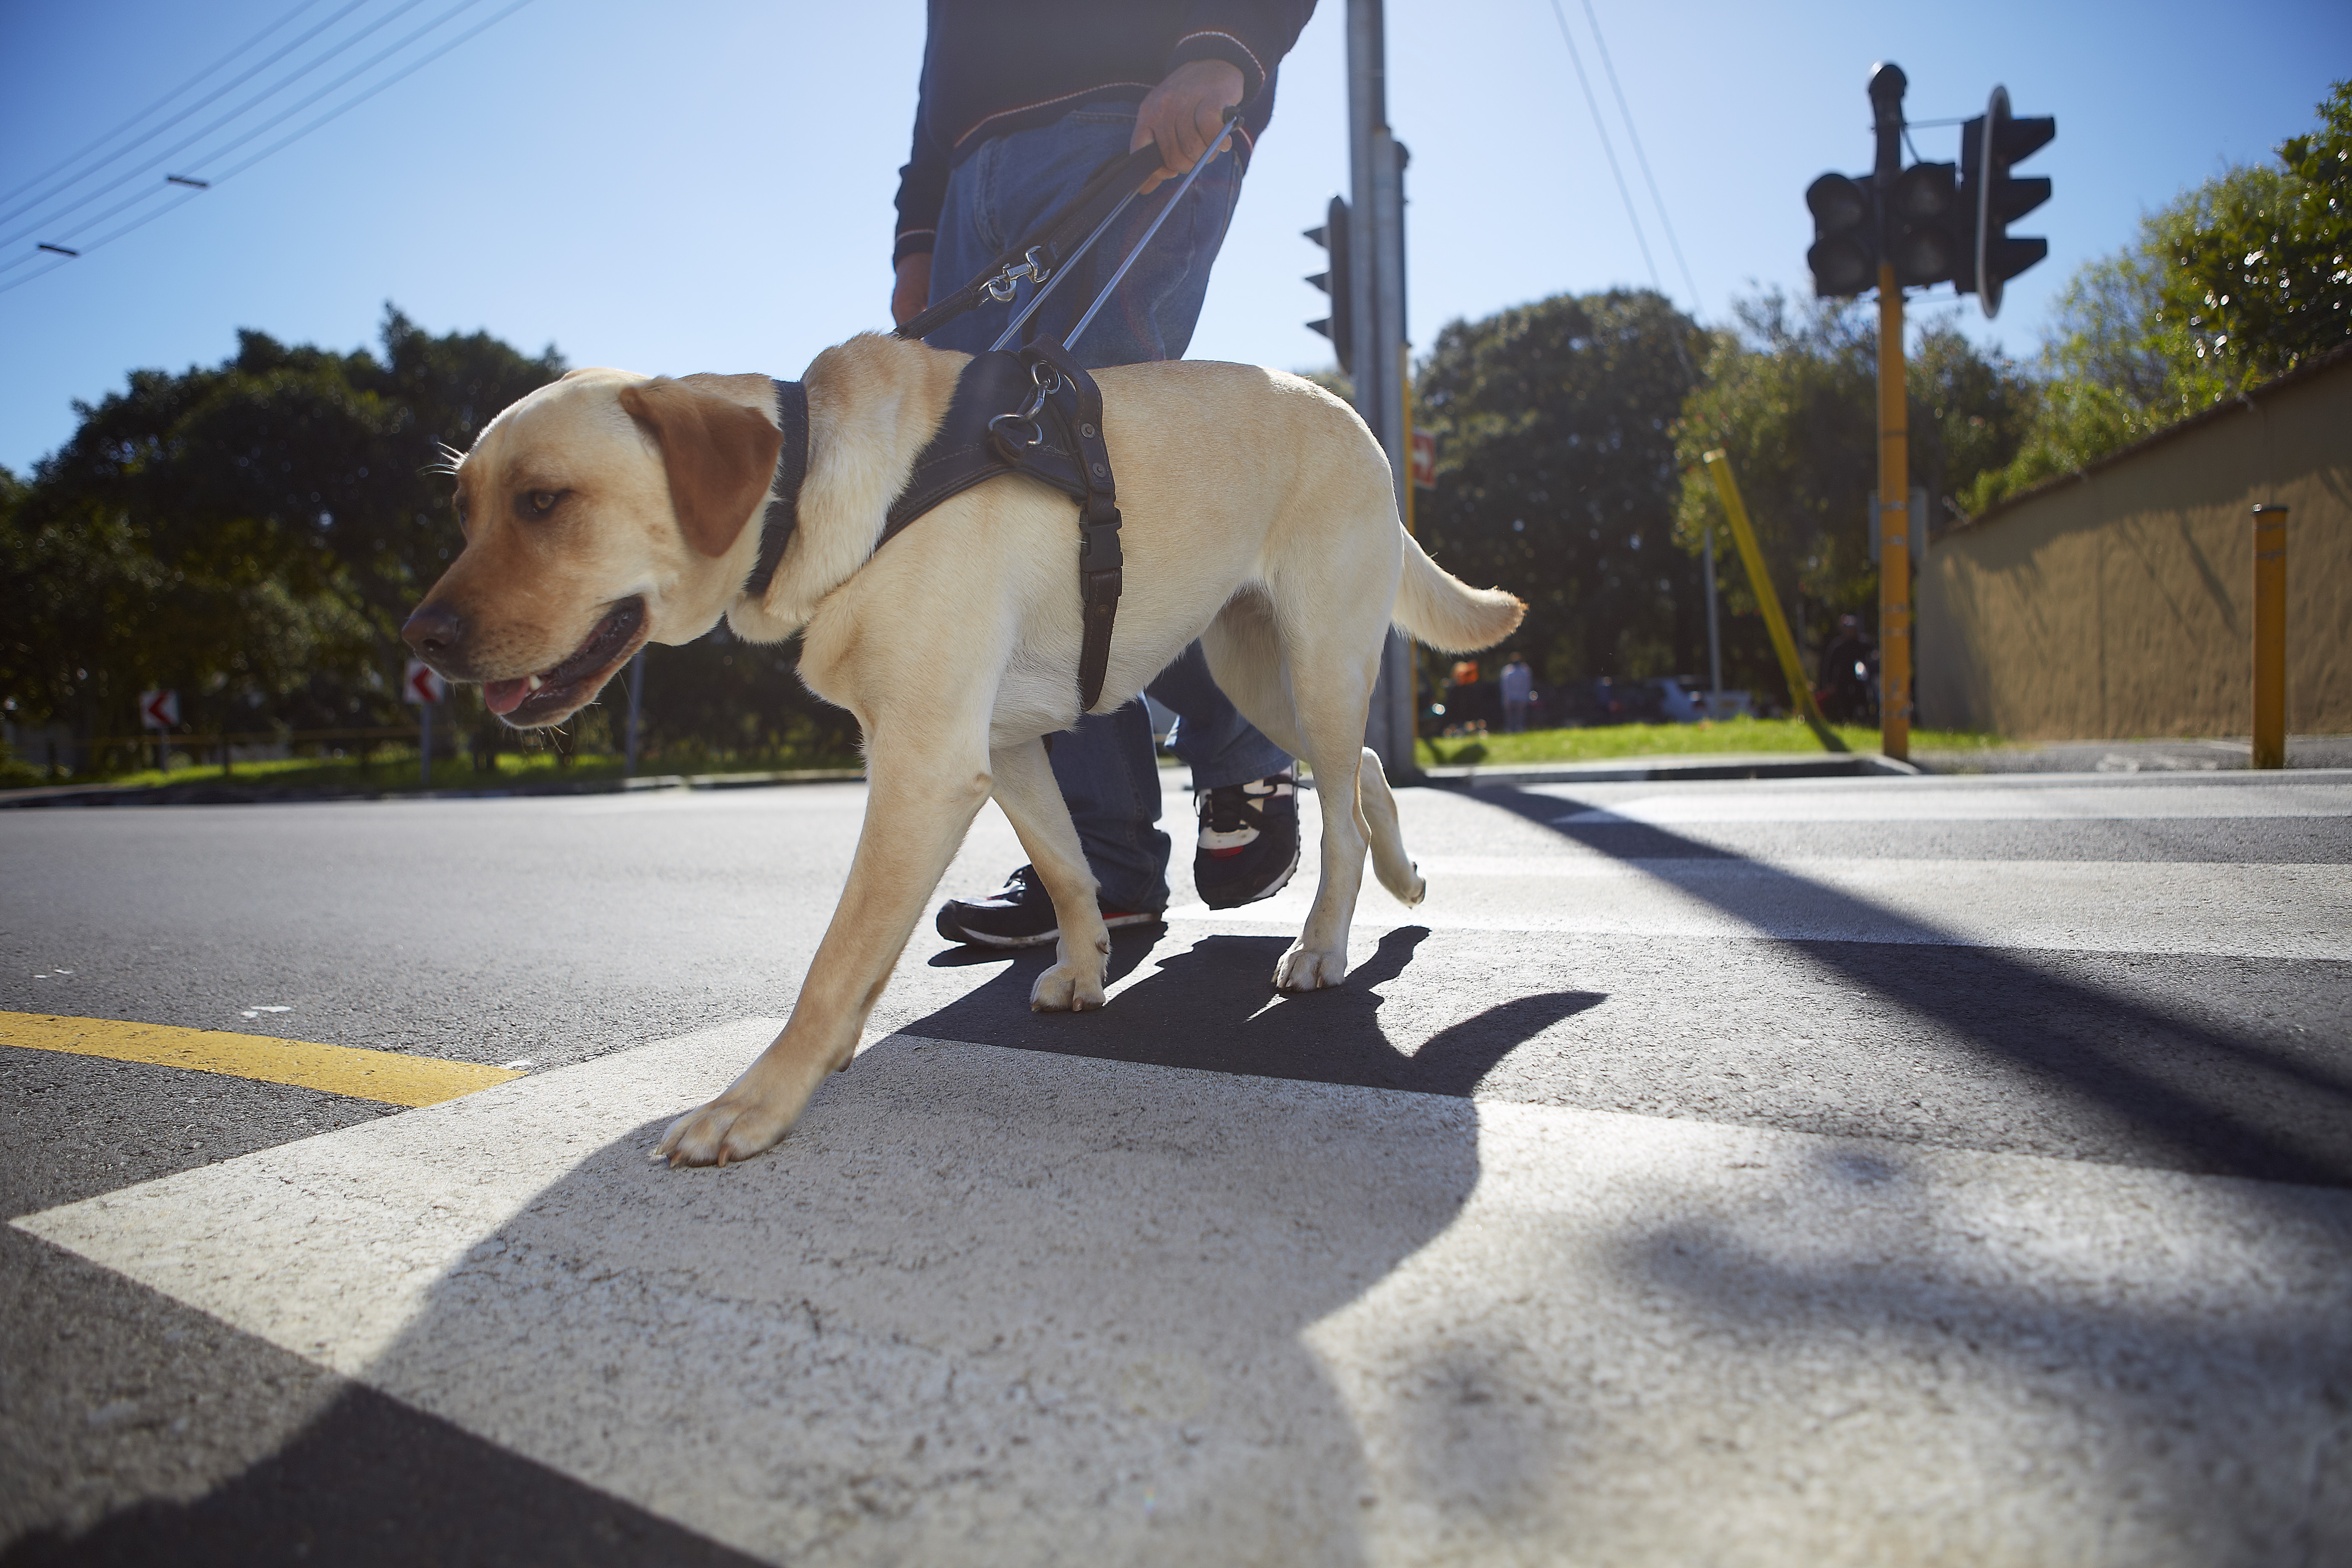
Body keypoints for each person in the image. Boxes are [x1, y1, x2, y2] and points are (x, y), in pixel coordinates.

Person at [891, 3, 1316, 949]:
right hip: (974, 178)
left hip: (1132, 115)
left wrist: (1225, 49)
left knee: (1098, 480)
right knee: (1001, 518)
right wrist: (921, 226)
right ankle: (1098, 860)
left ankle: (1244, 741)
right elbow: (946, 43)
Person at [1499, 653, 1533, 733]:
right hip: (1517, 697)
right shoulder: (1524, 671)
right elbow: (1527, 686)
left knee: (1517, 717)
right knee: (1515, 717)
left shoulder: (1508, 671)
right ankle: (1515, 730)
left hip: (1513, 697)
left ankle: (1515, 731)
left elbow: (1505, 686)